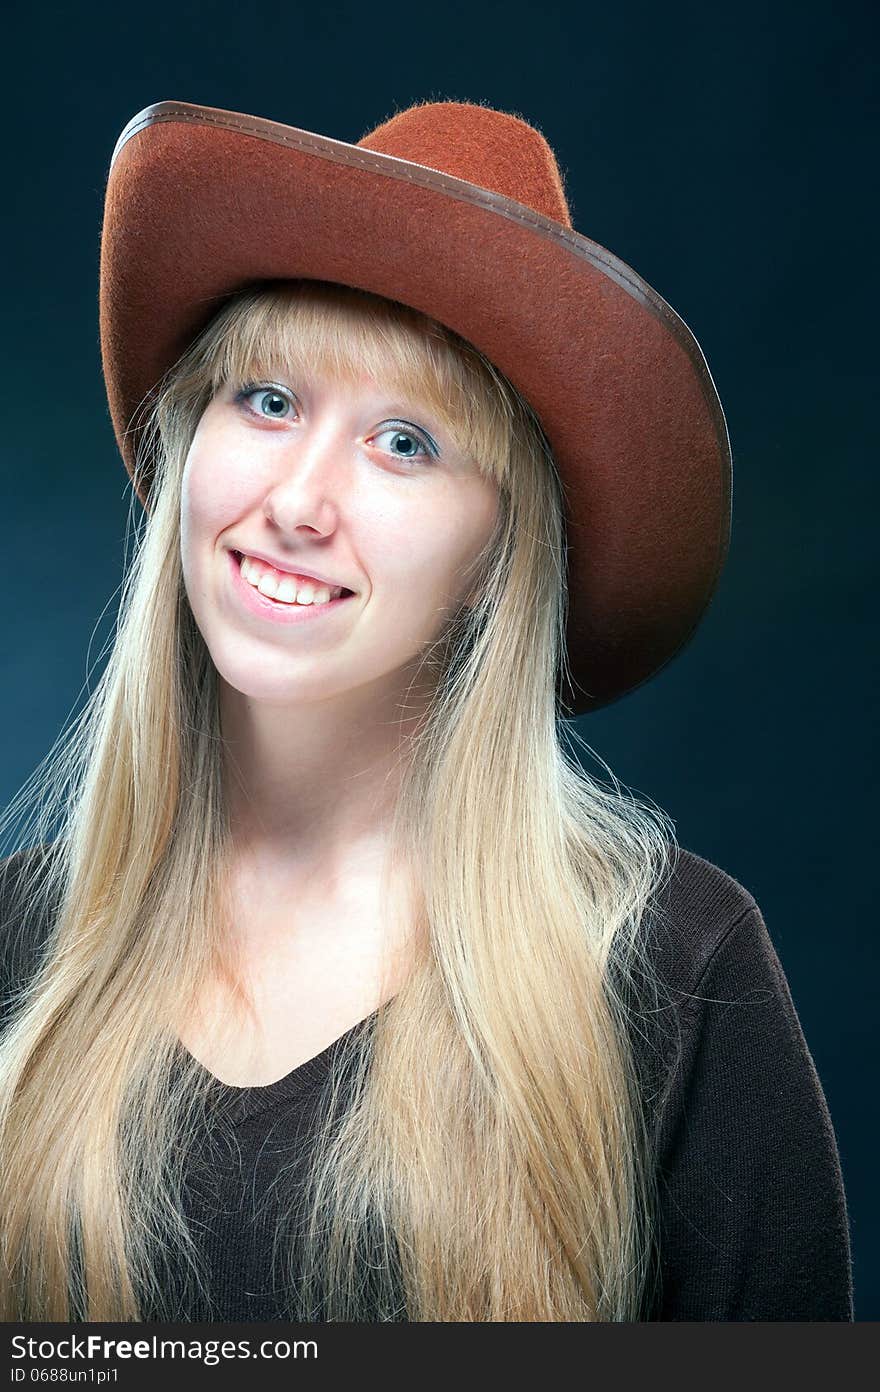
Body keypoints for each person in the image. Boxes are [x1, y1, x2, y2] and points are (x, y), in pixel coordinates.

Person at [0, 98, 853, 1322]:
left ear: (501, 555)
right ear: (187, 440)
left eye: (404, 442)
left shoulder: (676, 968)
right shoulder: (20, 945)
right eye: (269, 400)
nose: (299, 500)